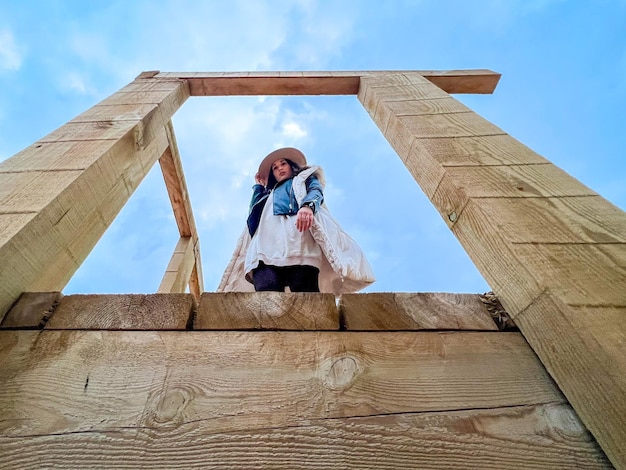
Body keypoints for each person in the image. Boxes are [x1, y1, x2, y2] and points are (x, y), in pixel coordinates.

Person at [218, 147, 375, 294]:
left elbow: (316, 191)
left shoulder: (304, 179)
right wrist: (259, 188)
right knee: (266, 296)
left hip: (298, 239)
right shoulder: (268, 194)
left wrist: (308, 207)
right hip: (266, 245)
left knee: (305, 291)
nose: (279, 168)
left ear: (291, 166)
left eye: (283, 163)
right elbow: (253, 214)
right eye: (274, 167)